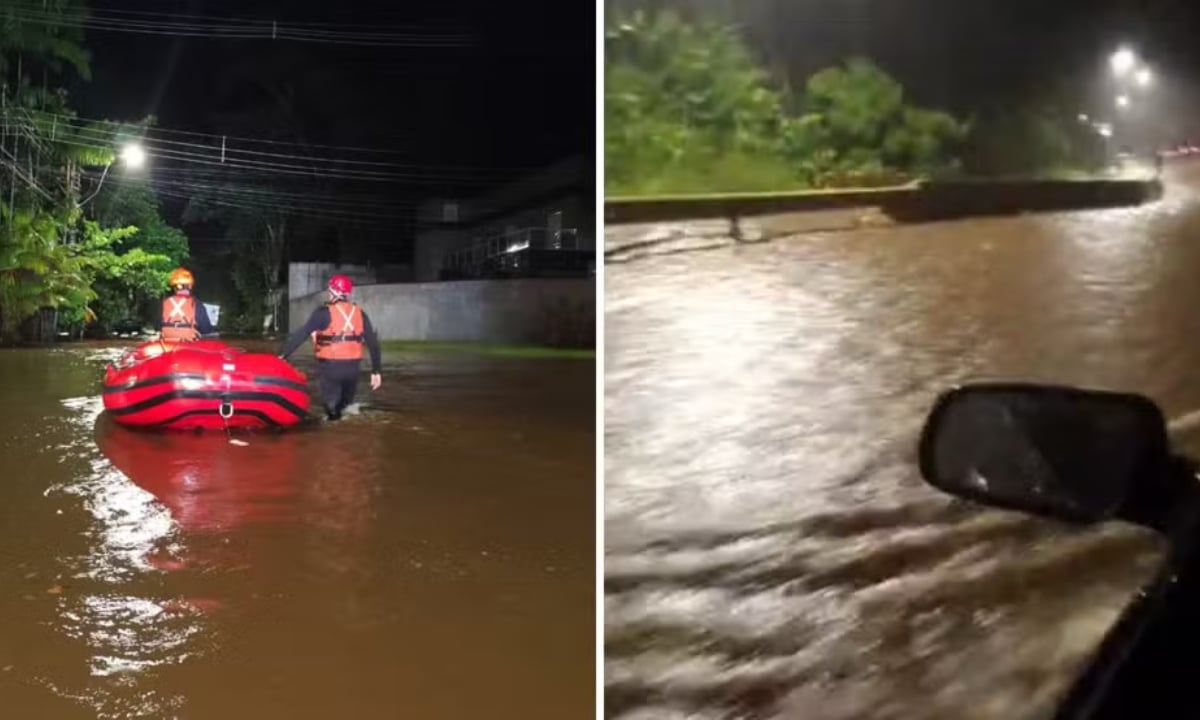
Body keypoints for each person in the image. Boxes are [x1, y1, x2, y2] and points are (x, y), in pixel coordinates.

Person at [278, 274, 382, 421]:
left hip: (331, 369)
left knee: (332, 413)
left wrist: (282, 356)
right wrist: (376, 371)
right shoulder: (360, 313)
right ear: (347, 293)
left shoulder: (323, 313)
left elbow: (301, 334)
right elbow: (373, 343)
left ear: (332, 291)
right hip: (353, 370)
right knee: (347, 409)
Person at [160, 267, 216, 341]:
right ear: (190, 286)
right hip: (189, 343)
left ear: (175, 288)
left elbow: (157, 325)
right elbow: (205, 329)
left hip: (166, 343)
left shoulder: (165, 303)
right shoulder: (196, 303)